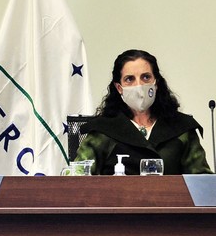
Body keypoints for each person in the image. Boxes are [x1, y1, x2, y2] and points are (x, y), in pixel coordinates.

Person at [74, 49, 211, 175]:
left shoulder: (182, 128)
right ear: (119, 88)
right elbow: (78, 180)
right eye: (130, 79)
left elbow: (203, 184)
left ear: (156, 83)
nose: (139, 85)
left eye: (146, 77)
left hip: (171, 201)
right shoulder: (102, 131)